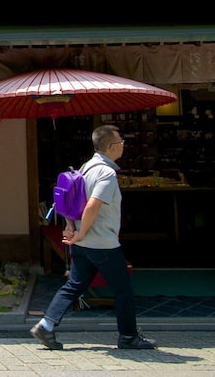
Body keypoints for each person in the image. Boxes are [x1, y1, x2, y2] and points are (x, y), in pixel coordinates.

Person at [31, 125, 156, 351]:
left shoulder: (85, 167)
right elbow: (91, 206)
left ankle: (46, 325)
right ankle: (128, 337)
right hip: (102, 243)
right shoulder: (106, 173)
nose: (123, 146)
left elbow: (67, 201)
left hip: (82, 243)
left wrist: (72, 228)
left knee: (74, 285)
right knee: (123, 290)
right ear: (110, 147)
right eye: (121, 142)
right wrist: (82, 232)